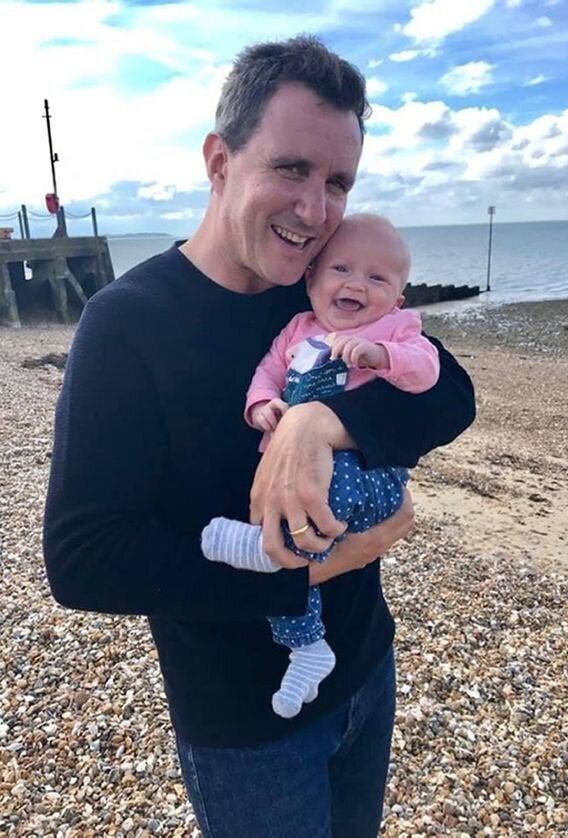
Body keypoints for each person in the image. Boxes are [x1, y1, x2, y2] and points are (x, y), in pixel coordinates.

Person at [44, 36, 475, 838]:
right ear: (218, 160)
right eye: (291, 169)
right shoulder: (127, 324)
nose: (315, 211)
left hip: (366, 668)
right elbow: (83, 559)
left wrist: (322, 420)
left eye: (337, 182)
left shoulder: (321, 286)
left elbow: (450, 392)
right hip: (244, 726)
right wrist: (299, 579)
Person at [203, 213, 440, 720]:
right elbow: (267, 371)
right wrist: (262, 404)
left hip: (368, 478)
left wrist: (382, 355)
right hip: (302, 488)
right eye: (341, 270)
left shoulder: (394, 328)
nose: (356, 284)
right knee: (284, 516)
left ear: (398, 298)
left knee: (311, 506)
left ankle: (265, 552)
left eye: (377, 278)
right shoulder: (296, 329)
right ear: (311, 281)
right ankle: (307, 648)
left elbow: (430, 372)